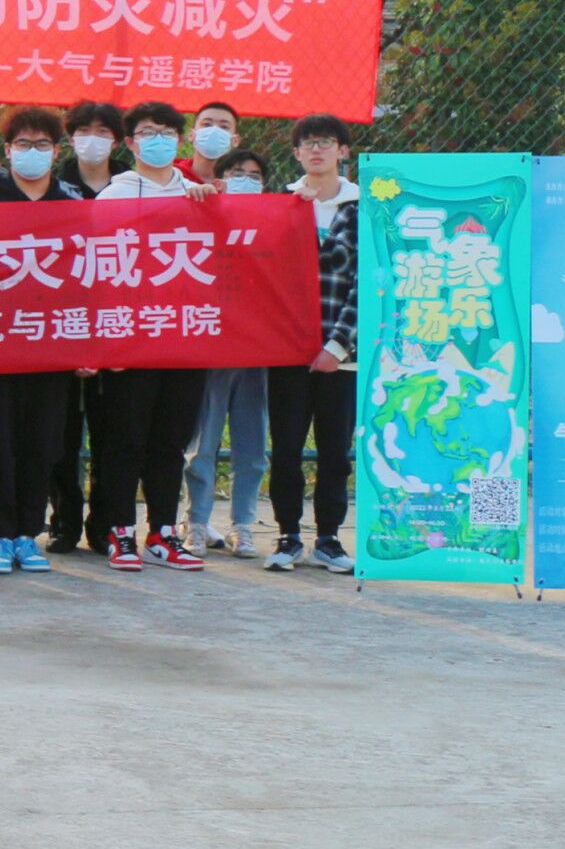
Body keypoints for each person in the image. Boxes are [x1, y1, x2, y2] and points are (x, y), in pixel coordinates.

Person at [89, 102, 212, 573]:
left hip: (186, 336)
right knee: (125, 439)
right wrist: (106, 342)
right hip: (130, 339)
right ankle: (120, 531)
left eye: (166, 132)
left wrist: (214, 206)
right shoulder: (113, 196)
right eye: (146, 132)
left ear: (180, 140)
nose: (157, 140)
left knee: (171, 441)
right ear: (130, 143)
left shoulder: (198, 195)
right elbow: (97, 272)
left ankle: (163, 532)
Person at [0, 108, 78, 574]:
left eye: (42, 144)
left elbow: (87, 278)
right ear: (8, 150)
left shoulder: (70, 204)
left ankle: (28, 534)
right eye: (24, 144)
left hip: (51, 343)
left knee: (41, 440)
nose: (33, 152)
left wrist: (86, 345)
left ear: (56, 150)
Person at [267, 113, 361, 574]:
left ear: (343, 151)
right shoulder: (278, 206)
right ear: (297, 153)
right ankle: (288, 536)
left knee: (335, 452)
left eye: (326, 142)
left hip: (341, 357)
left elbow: (369, 283)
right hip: (286, 352)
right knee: (285, 448)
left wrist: (337, 346)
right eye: (308, 143)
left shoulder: (364, 208)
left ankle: (328, 538)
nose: (317, 149)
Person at [182, 144, 275, 558]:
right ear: (219, 180)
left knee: (251, 447)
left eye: (254, 176)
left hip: (258, 351)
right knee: (202, 445)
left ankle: (243, 524)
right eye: (237, 174)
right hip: (212, 348)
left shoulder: (276, 219)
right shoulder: (203, 212)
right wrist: (201, 198)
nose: (246, 181)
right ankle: (196, 523)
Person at [47, 99, 130, 549]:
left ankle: (104, 523)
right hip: (64, 319)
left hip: (120, 320)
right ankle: (64, 519)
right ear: (70, 137)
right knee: (60, 434)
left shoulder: (134, 184)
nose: (92, 139)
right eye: (83, 131)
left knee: (112, 434)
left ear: (117, 141)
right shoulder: (53, 185)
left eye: (102, 131)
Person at [181, 101, 243, 185]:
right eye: (206, 124)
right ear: (191, 135)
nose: (214, 131)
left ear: (235, 141)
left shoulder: (241, 182)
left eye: (224, 126)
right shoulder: (172, 175)